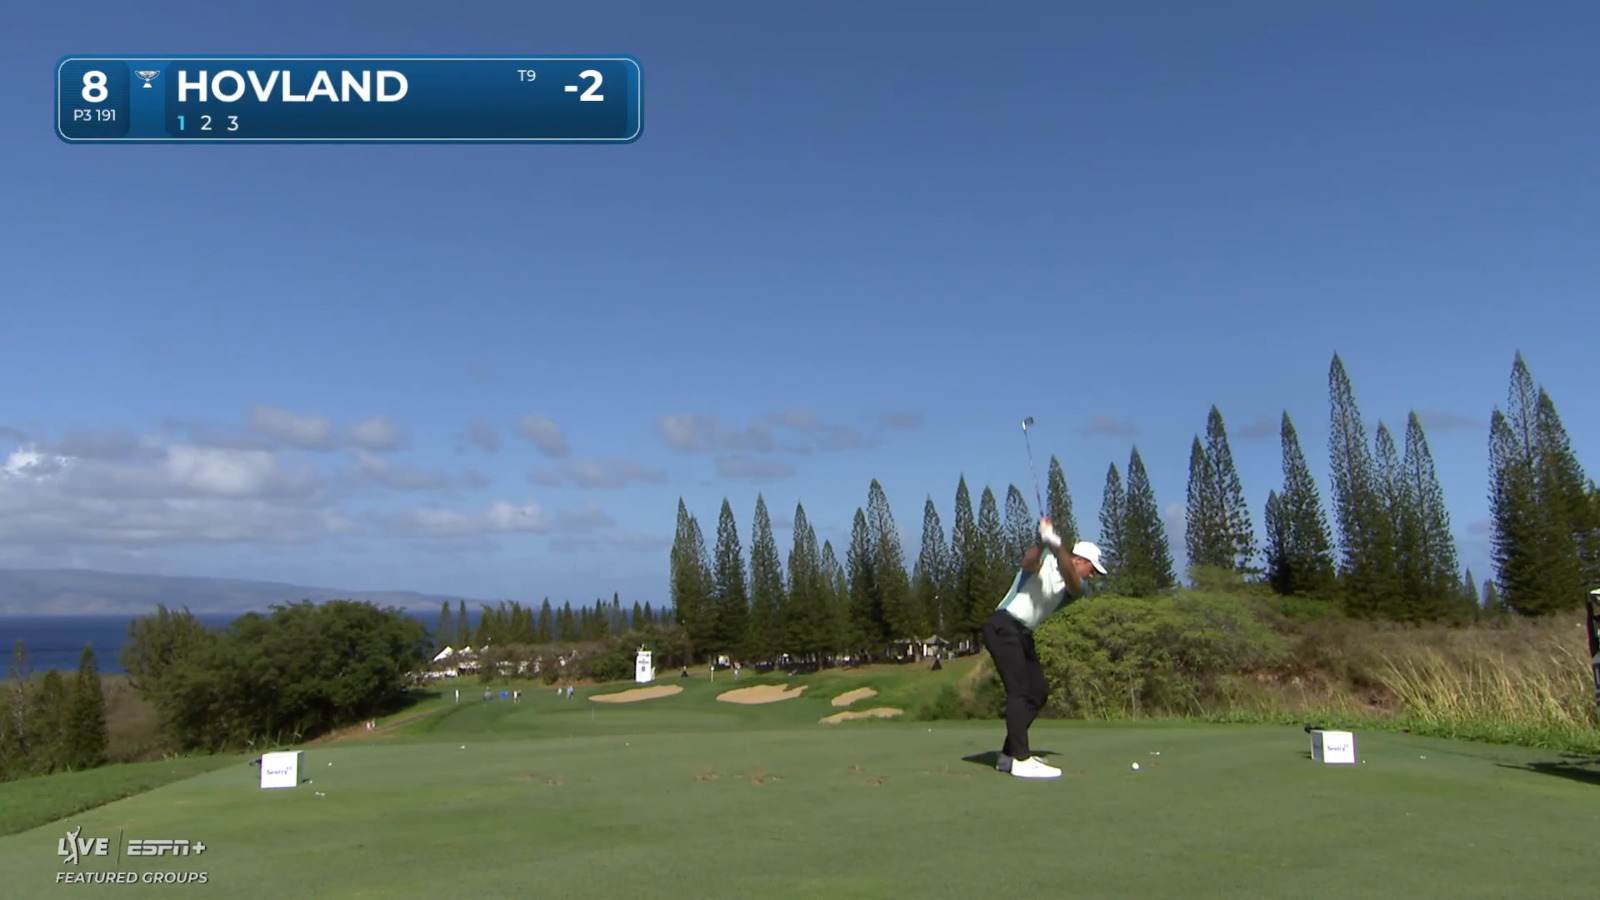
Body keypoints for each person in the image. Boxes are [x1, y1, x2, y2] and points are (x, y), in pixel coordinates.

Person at [982, 517, 1105, 780]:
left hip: (1022, 633)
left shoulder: (1077, 587)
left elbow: (1071, 578)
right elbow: (1028, 562)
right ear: (1080, 560)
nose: (1092, 576)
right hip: (1002, 625)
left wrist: (1056, 544)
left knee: (1037, 693)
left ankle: (1008, 756)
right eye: (1092, 569)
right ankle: (1022, 760)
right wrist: (1043, 541)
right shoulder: (1047, 559)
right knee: (1019, 691)